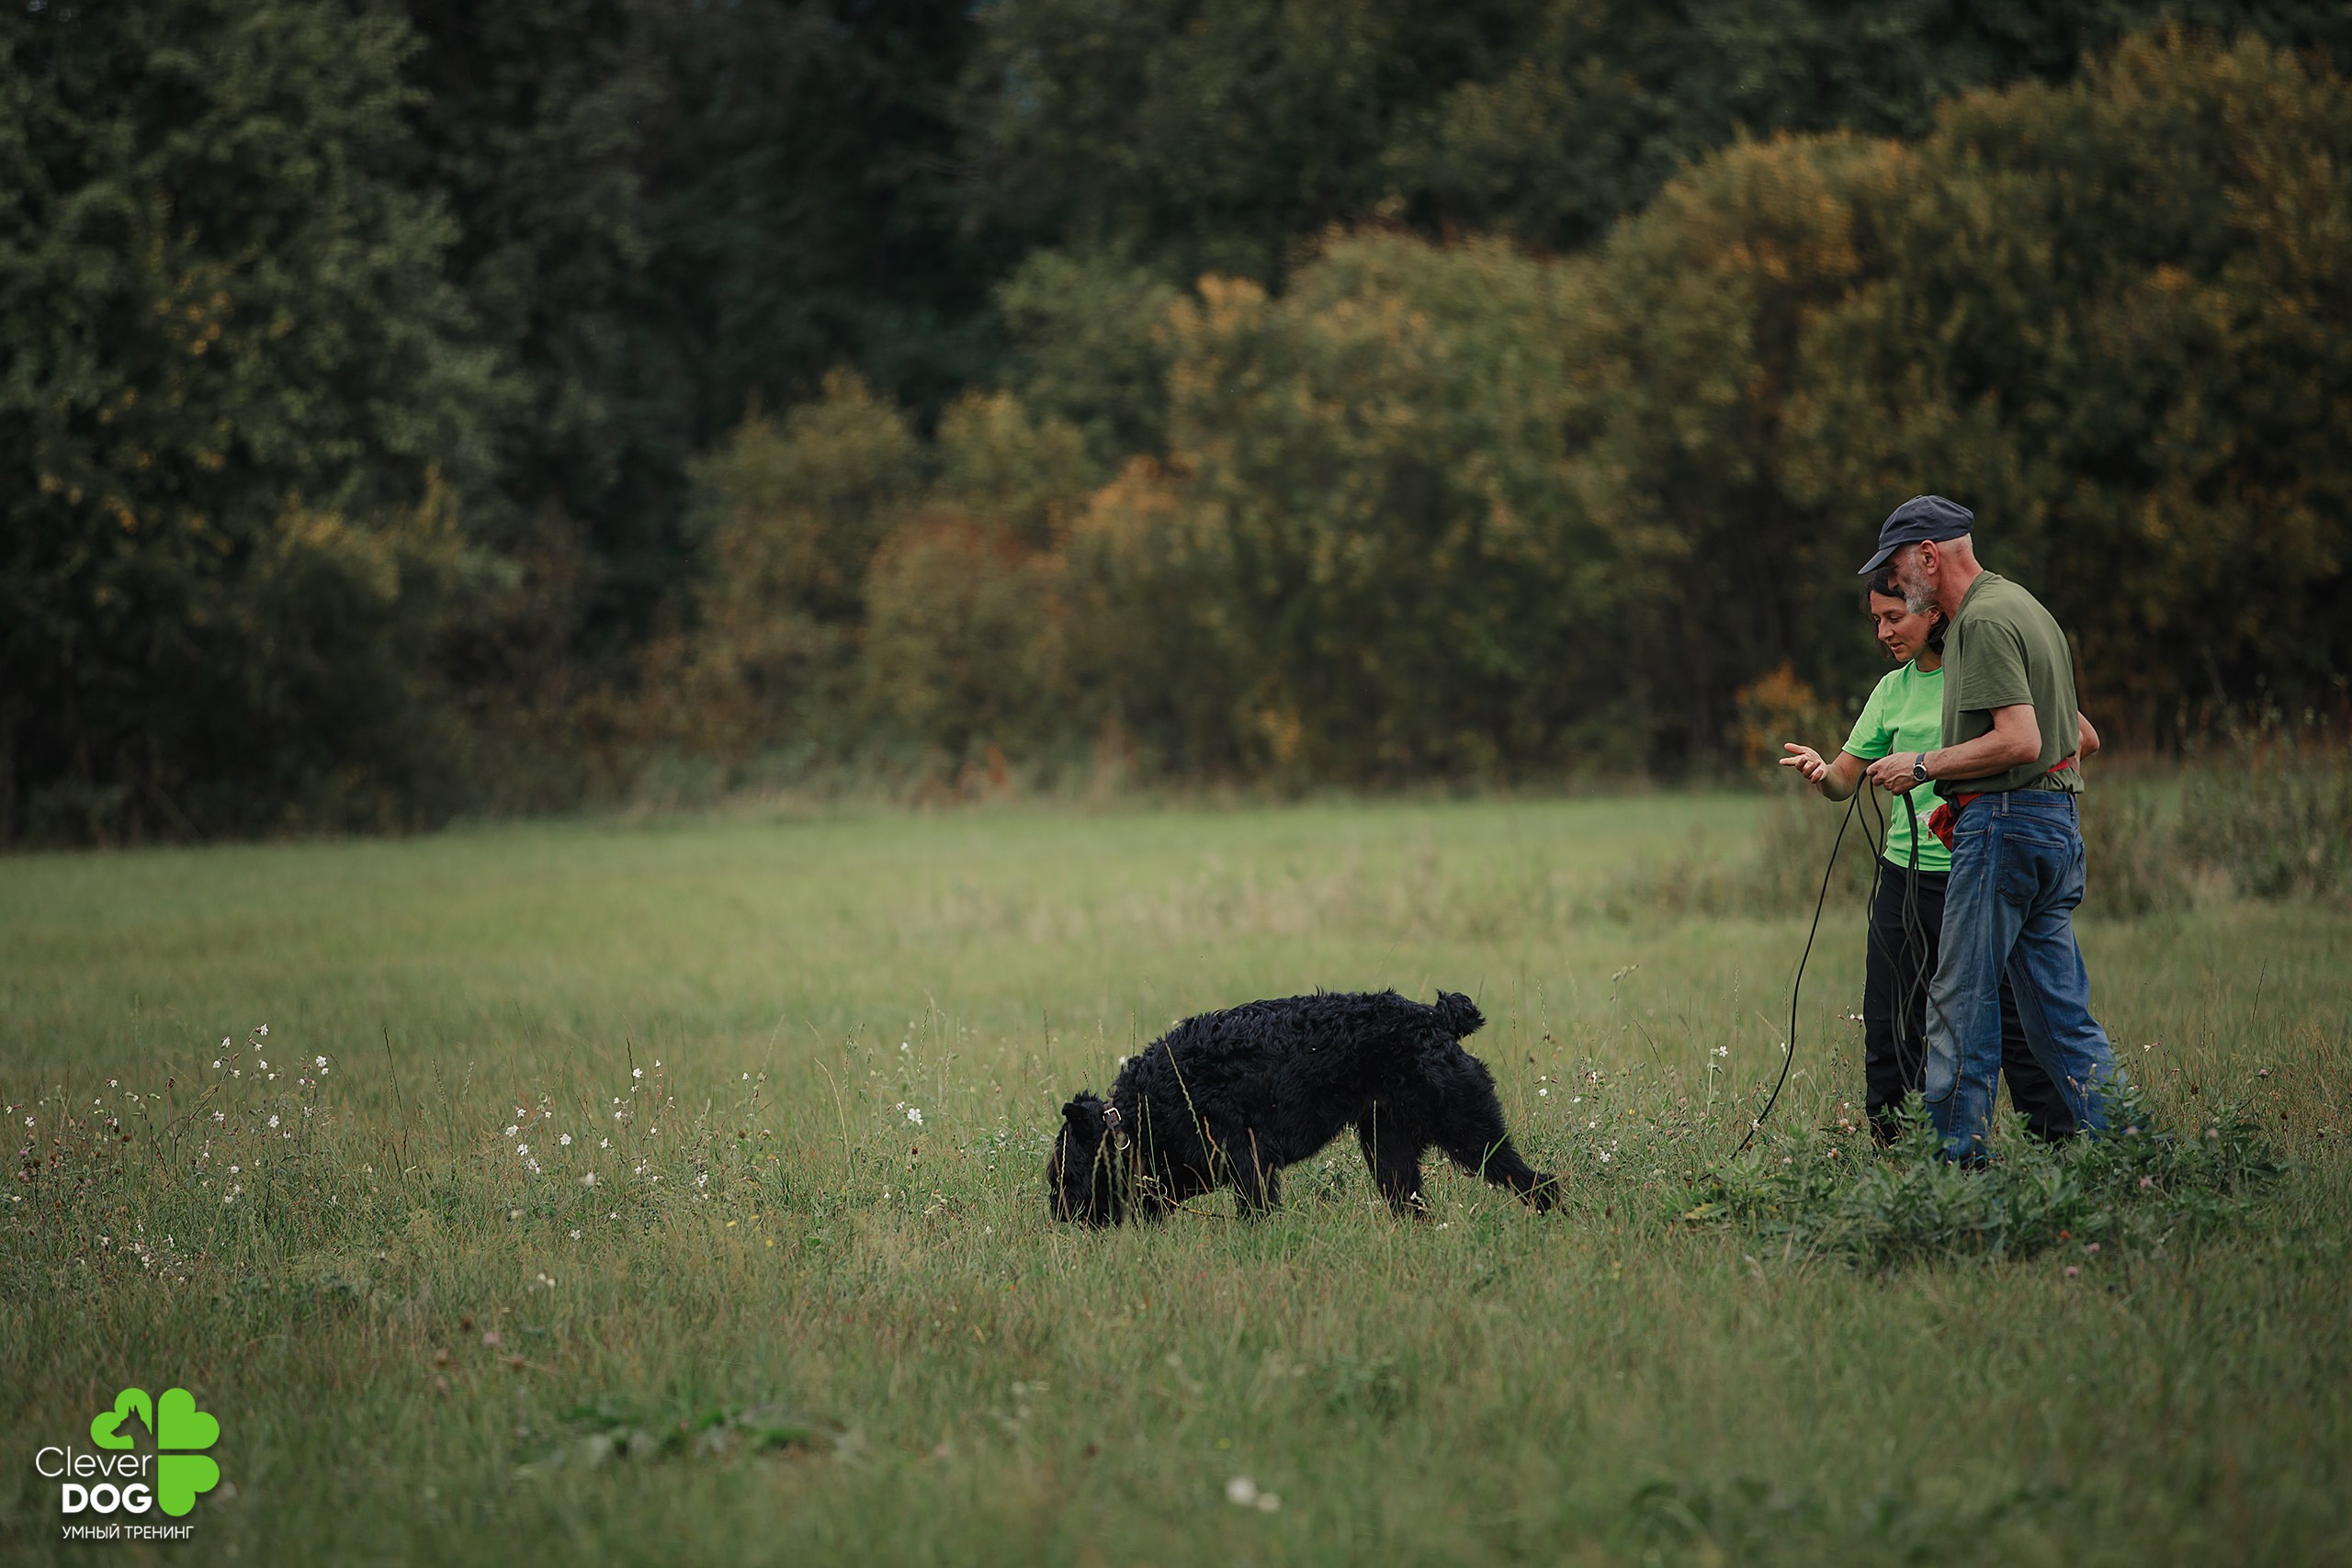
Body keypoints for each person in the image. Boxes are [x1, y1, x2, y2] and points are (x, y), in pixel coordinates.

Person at [1854, 495, 2121, 1161]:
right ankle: (2134, 1153)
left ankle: (1957, 1171)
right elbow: (2077, 737)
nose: (1897, 581)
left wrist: (1926, 765)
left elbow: (2021, 739)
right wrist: (1973, 789)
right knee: (2060, 1017)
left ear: (1927, 555)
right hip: (2054, 825)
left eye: (1897, 567)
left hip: (2005, 831)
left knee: (1957, 1005)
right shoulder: (2027, 607)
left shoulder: (1979, 622)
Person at [1781, 569, 2088, 1145]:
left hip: (1978, 868)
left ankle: (2059, 1145)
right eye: (1875, 620)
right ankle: (1897, 1150)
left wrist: (1943, 763)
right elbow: (1846, 780)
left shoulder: (1983, 670)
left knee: (2011, 1021)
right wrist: (1823, 773)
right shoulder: (1891, 690)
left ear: (1931, 610)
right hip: (1904, 876)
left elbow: (2076, 737)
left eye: (1893, 617)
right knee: (1889, 1022)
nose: (1883, 631)